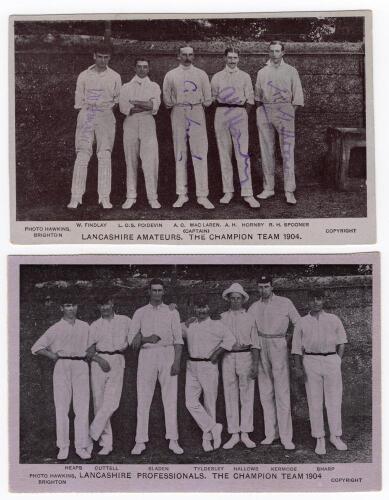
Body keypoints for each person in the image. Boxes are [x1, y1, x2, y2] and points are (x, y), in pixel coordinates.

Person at [31, 292, 93, 460]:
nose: (71, 308)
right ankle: (63, 447)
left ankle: (81, 446)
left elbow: (93, 345)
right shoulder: (56, 328)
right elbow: (36, 347)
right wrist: (52, 355)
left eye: (73, 305)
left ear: (77, 307)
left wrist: (89, 353)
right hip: (62, 366)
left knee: (82, 407)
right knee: (62, 407)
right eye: (67, 305)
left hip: (81, 365)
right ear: (61, 308)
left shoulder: (85, 326)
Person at [130, 279, 184, 455]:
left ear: (164, 292)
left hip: (167, 354)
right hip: (147, 355)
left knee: (170, 398)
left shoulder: (172, 312)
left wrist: (176, 361)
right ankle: (140, 441)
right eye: (154, 290)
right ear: (149, 292)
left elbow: (178, 339)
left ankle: (173, 440)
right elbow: (132, 341)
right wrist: (146, 338)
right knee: (143, 398)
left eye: (160, 290)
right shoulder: (139, 313)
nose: (157, 293)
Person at [292, 289, 348, 455]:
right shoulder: (302, 322)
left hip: (331, 360)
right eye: (312, 299)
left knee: (334, 400)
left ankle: (335, 436)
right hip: (310, 361)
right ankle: (319, 437)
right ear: (308, 302)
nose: (316, 302)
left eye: (319, 299)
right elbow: (296, 349)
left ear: (323, 300)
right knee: (314, 401)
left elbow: (342, 342)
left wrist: (337, 360)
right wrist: (298, 368)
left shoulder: (333, 319)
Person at [248, 274, 300, 450]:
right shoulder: (254, 307)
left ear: (272, 287)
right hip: (261, 345)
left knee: (282, 391)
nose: (263, 290)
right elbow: (246, 327)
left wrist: (290, 338)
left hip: (279, 344)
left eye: (266, 286)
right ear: (257, 288)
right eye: (260, 287)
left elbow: (299, 323)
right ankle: (271, 434)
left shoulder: (285, 303)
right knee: (265, 391)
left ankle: (286, 437)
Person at [67, 41, 121, 209]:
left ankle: (104, 198)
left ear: (110, 58)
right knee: (83, 154)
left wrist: (105, 109)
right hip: (87, 114)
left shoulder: (115, 76)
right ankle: (76, 197)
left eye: (106, 58)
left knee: (104, 155)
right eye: (100, 57)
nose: (103, 61)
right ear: (94, 56)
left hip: (105, 115)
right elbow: (78, 99)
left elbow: (117, 99)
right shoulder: (84, 75)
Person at [163, 46, 214, 209]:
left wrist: (196, 105)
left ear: (194, 56)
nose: (187, 57)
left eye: (190, 55)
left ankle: (202, 195)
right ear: (178, 56)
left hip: (197, 110)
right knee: (180, 152)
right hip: (178, 111)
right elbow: (167, 99)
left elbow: (208, 99)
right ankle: (182, 194)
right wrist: (178, 105)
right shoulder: (171, 75)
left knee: (199, 152)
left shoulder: (201, 74)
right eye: (184, 55)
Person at [182, 295, 235, 452]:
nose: (201, 310)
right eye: (198, 307)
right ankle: (213, 427)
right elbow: (171, 328)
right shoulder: (189, 325)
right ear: (194, 309)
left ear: (209, 308)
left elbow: (230, 339)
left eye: (204, 307)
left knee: (209, 403)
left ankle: (208, 439)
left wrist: (217, 353)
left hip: (208, 366)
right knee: (190, 402)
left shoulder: (217, 325)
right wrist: (172, 309)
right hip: (192, 366)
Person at [255, 41, 304, 205]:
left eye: (277, 51)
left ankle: (289, 190)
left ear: (283, 53)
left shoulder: (291, 71)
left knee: (287, 151)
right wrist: (264, 110)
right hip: (265, 109)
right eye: (272, 51)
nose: (275, 54)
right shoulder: (262, 72)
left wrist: (288, 112)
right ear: (268, 53)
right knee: (267, 150)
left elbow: (297, 96)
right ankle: (268, 188)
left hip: (285, 110)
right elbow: (257, 97)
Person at [211, 48, 260, 209]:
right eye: (230, 57)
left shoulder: (244, 76)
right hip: (222, 113)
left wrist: (242, 113)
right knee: (224, 153)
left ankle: (247, 193)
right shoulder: (217, 77)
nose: (232, 60)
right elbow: (212, 98)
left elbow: (251, 99)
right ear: (224, 58)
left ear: (239, 59)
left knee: (242, 153)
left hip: (239, 113)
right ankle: (228, 191)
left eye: (235, 58)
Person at [87, 295, 132, 456]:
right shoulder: (95, 325)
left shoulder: (125, 321)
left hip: (118, 359)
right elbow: (89, 350)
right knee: (99, 403)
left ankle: (91, 433)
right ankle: (106, 444)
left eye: (106, 303)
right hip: (99, 362)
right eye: (101, 305)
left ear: (112, 302)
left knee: (112, 403)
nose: (104, 307)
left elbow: (138, 333)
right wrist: (100, 360)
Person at [220, 283, 260, 449]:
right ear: (228, 299)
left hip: (246, 357)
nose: (235, 301)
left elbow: (256, 343)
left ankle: (245, 433)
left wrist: (255, 364)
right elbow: (218, 339)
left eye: (238, 298)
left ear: (243, 299)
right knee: (230, 395)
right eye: (233, 298)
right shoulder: (222, 318)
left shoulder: (250, 318)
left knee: (247, 395)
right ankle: (234, 434)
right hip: (228, 358)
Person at [119, 59, 162, 209]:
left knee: (150, 160)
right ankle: (131, 196)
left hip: (148, 123)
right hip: (130, 123)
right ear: (134, 68)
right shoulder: (125, 87)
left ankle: (152, 197)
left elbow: (154, 106)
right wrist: (144, 104)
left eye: (145, 67)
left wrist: (134, 101)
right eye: (139, 67)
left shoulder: (154, 86)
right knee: (131, 160)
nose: (142, 70)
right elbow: (124, 108)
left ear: (149, 69)